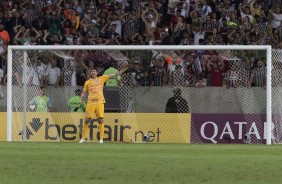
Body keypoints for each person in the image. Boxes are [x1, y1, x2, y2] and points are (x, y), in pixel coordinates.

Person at [79, 65, 127, 144]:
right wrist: (81, 100)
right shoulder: (87, 82)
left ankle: (101, 139)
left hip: (100, 102)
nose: (93, 72)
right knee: (87, 120)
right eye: (92, 71)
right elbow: (84, 93)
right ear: (91, 73)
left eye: (94, 71)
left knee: (100, 120)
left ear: (97, 73)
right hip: (90, 103)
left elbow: (113, 75)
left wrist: (121, 70)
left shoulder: (102, 78)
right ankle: (83, 138)